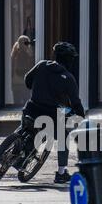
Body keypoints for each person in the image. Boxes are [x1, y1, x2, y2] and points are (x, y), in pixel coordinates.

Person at [23, 42, 85, 184]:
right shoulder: (68, 78)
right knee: (64, 135)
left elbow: (27, 79)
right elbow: (76, 103)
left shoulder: (42, 65)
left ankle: (16, 147)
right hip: (51, 116)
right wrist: (81, 119)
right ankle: (61, 172)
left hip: (31, 109)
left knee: (24, 127)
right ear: (69, 60)